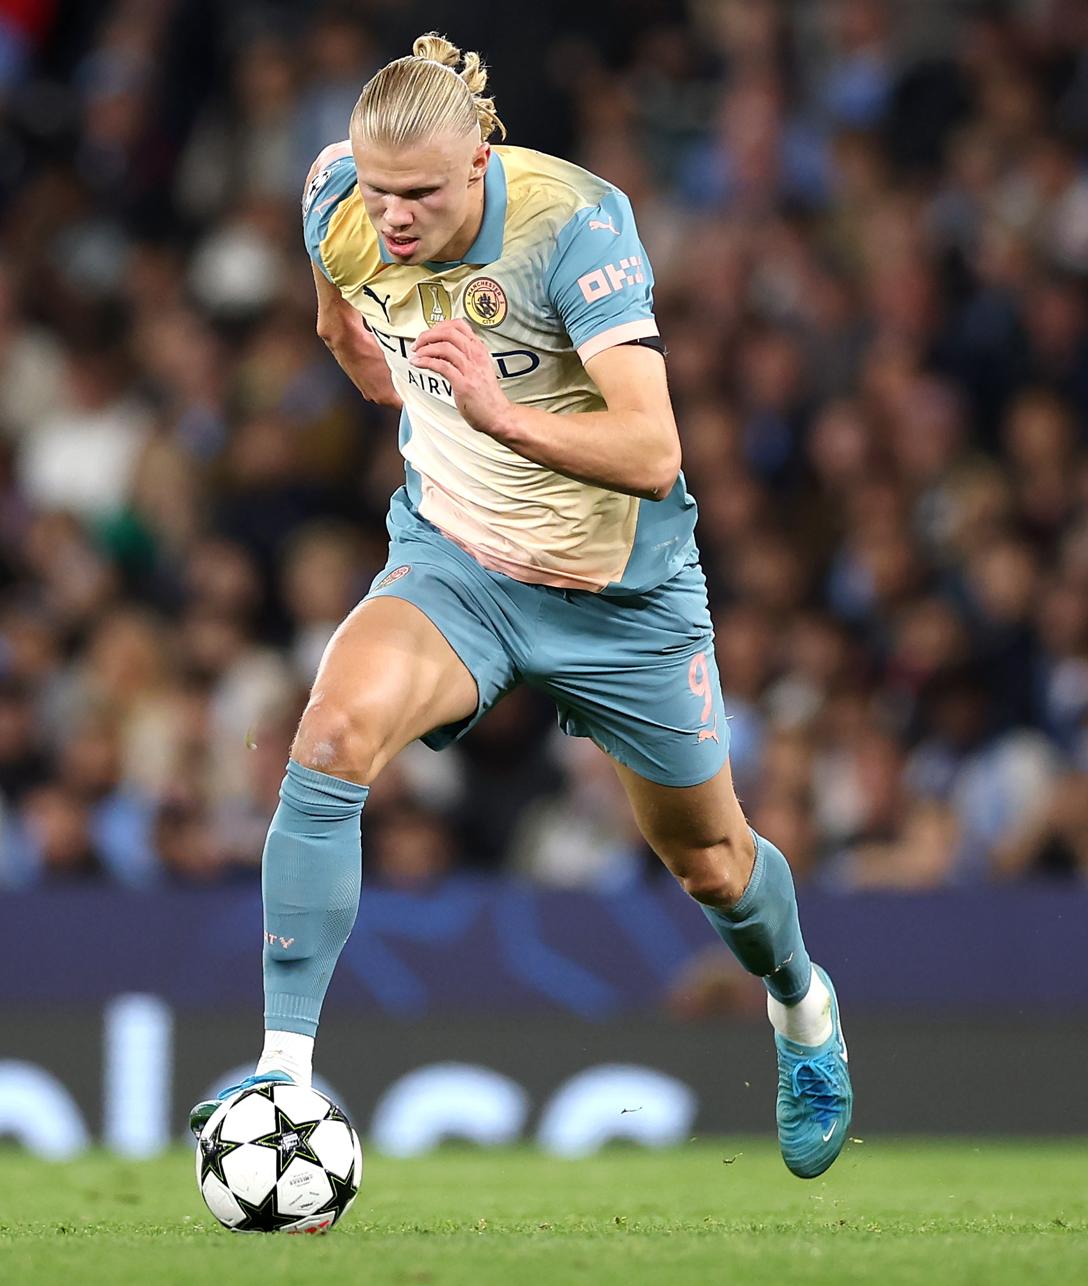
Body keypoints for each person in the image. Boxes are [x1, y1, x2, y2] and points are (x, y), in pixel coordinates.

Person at [189, 34, 851, 1180]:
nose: (391, 216)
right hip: (458, 565)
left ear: (483, 159)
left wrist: (498, 416)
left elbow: (653, 449)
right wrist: (400, 393)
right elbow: (342, 327)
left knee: (711, 865)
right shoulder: (338, 199)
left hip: (622, 598)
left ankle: (801, 1006)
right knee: (331, 735)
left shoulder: (576, 223)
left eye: (421, 194)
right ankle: (283, 1077)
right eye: (377, 186)